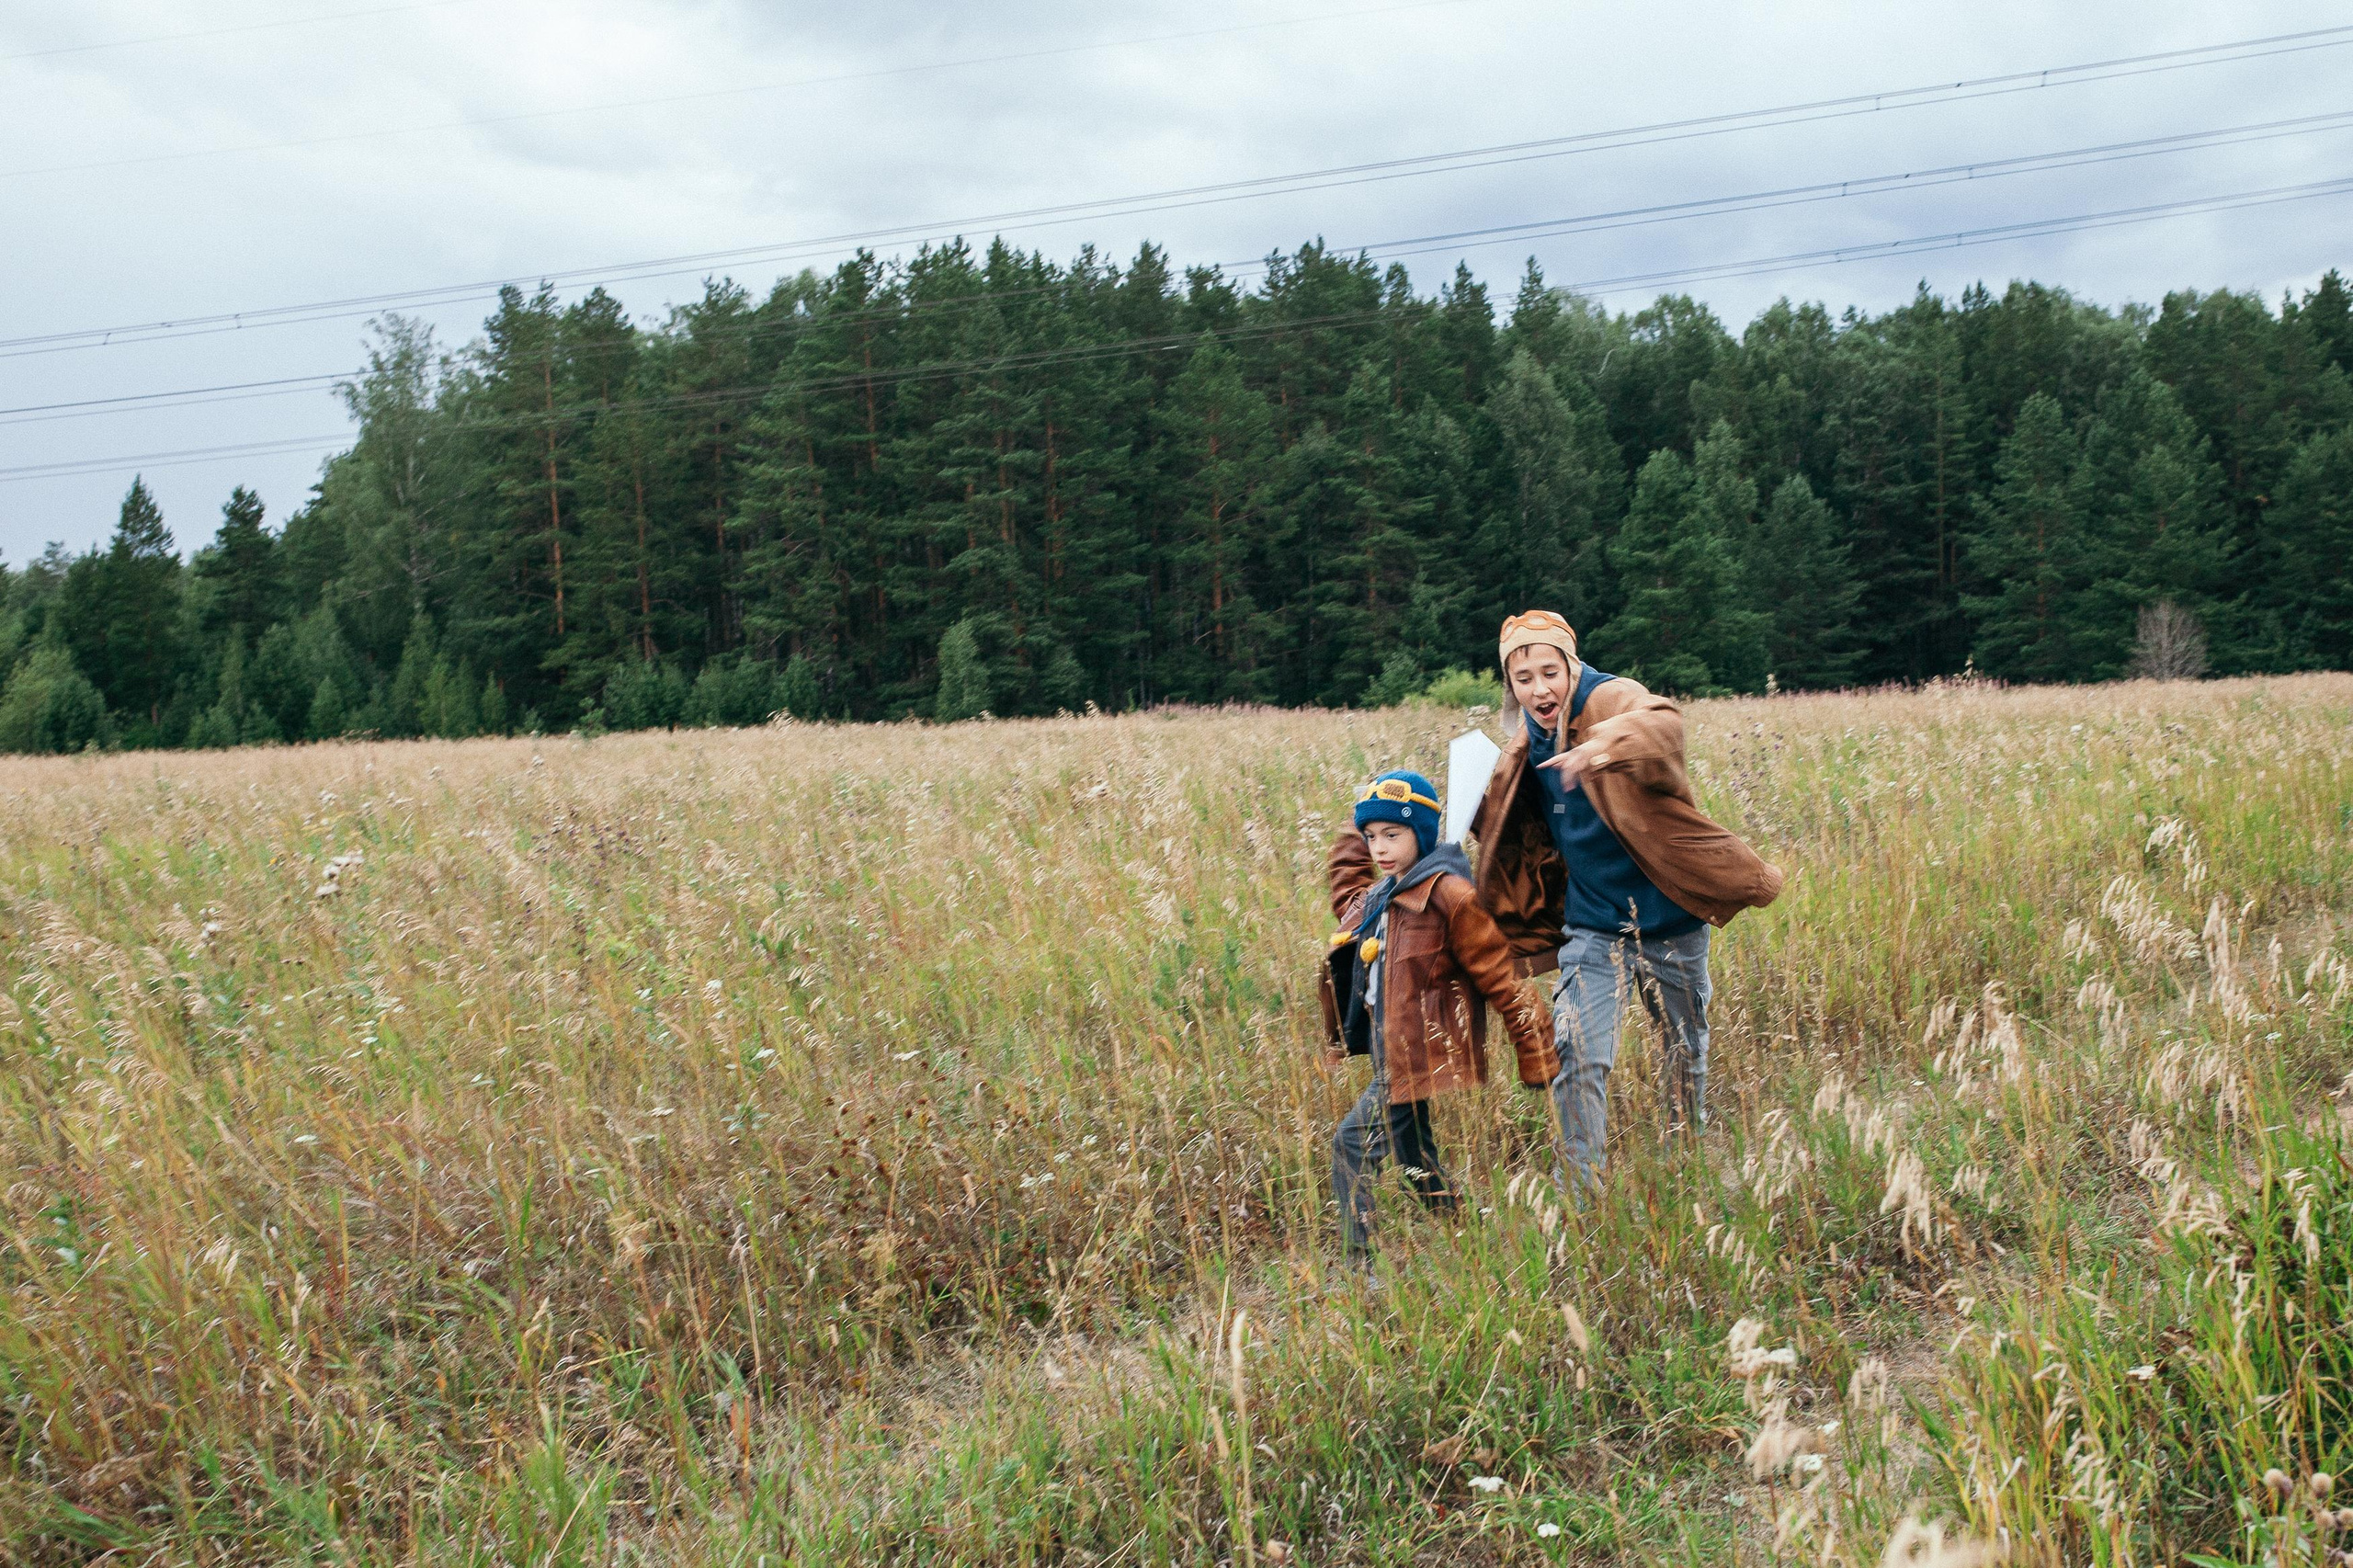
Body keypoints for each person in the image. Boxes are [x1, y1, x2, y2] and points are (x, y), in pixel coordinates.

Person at [1468, 610, 1784, 1192]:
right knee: (1577, 1053)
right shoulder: (1523, 747)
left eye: (1550, 672)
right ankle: (1580, 1191)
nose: (1540, 689)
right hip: (1592, 926)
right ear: (1510, 686)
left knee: (1682, 1045)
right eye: (1523, 678)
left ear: (1571, 665)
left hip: (1671, 916)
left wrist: (1601, 748)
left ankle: (1684, 1157)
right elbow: (1509, 831)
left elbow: (1661, 724)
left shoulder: (1611, 698)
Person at [1319, 769, 1555, 1270]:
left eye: (1393, 835)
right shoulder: (1382, 896)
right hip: (1388, 1048)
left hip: (1417, 1053)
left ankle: (1361, 1268)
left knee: (1350, 1146)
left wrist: (1535, 1051)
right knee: (1413, 1161)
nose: (1379, 848)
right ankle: (1469, 1235)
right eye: (1371, 837)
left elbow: (1500, 977)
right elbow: (1346, 892)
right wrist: (1354, 822)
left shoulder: (1450, 896)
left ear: (1422, 835)